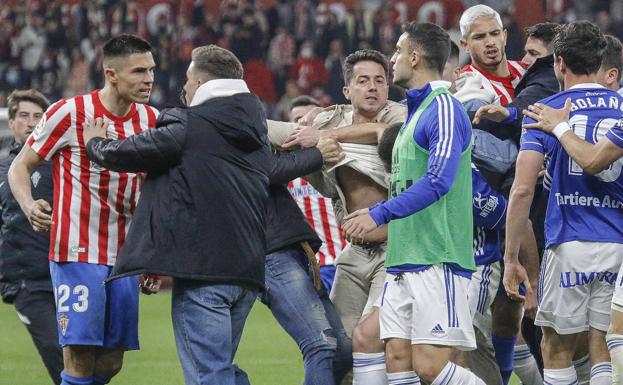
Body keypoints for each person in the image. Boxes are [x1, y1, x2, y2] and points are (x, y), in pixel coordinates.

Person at [8, 34, 159, 385]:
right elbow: (20, 167)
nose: (149, 79)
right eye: (138, 71)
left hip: (124, 257)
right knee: (79, 355)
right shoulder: (70, 112)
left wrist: (151, 253)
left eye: (150, 70)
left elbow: (155, 192)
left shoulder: (152, 120)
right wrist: (29, 205)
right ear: (111, 74)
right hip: (77, 249)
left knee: (110, 361)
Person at [343, 21, 484, 385]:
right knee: (396, 357)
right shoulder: (414, 114)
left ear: (415, 56)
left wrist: (378, 213)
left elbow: (438, 180)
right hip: (403, 259)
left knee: (430, 367)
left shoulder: (445, 109)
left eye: (398, 52)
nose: (393, 59)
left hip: (439, 258)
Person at [268, 49, 406, 383]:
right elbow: (282, 132)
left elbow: (384, 134)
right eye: (363, 81)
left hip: (397, 251)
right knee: (338, 349)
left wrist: (322, 138)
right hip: (353, 253)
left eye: (379, 80)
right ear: (347, 91)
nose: (373, 88)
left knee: (376, 341)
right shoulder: (329, 119)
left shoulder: (405, 118)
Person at [504, 21, 622, 385]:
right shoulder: (620, 106)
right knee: (602, 343)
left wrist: (511, 258)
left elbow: (522, 190)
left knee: (556, 348)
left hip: (569, 241)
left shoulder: (543, 111)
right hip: (618, 243)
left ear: (558, 63)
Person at [0, 89, 63, 385]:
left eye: (38, 117)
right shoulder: (3, 169)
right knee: (57, 351)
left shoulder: (62, 165)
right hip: (26, 279)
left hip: (67, 272)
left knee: (94, 355)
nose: (30, 122)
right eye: (23, 116)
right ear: (11, 122)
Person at [287, 95, 345, 294]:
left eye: (308, 121)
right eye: (296, 121)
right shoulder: (287, 170)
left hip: (347, 259)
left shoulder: (340, 160)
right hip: (314, 265)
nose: (302, 126)